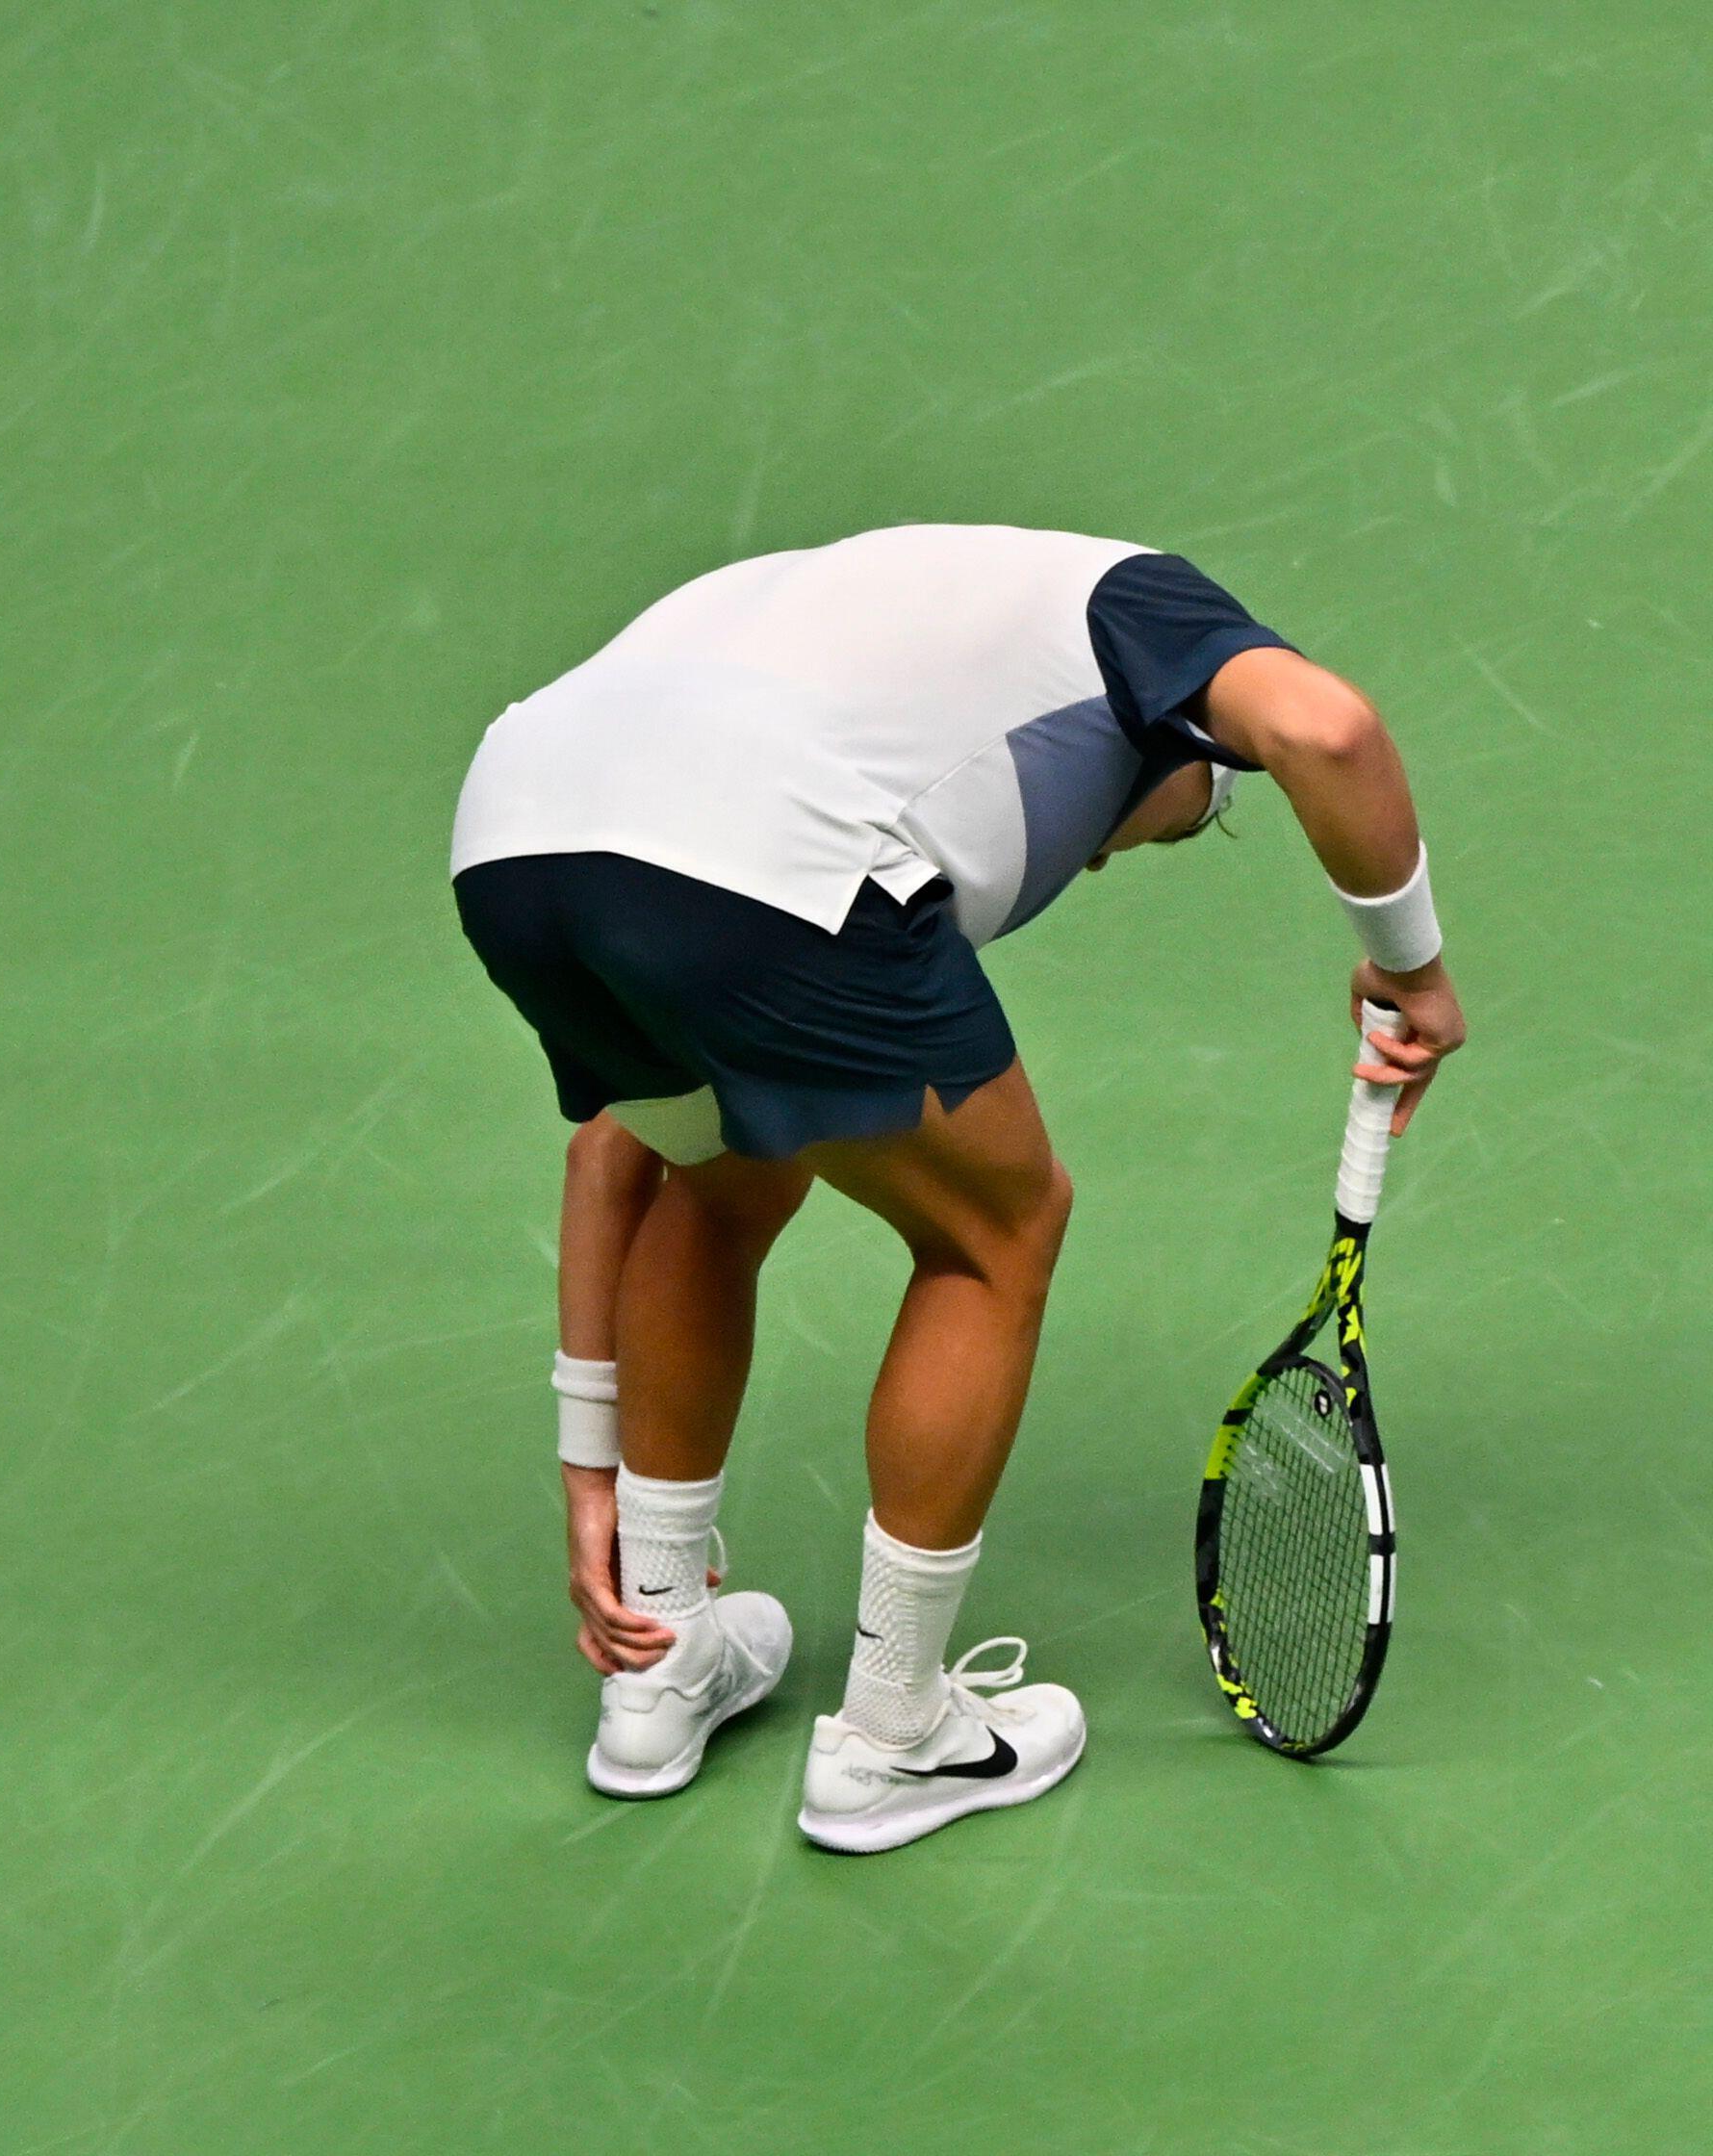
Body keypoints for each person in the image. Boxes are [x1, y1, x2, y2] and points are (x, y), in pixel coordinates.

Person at [448, 524, 1465, 1853]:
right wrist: (1411, 966)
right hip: (768, 845)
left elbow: (616, 1156)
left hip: (513, 840)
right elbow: (1327, 730)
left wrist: (592, 1465)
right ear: (1179, 740)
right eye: (1189, 816)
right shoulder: (1140, 607)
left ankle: (657, 1660)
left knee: (721, 1180)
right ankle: (892, 1737)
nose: (1118, 852)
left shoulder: (858, 637)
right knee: (1000, 1229)